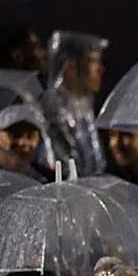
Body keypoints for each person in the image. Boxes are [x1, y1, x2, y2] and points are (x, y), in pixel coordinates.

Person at [40, 31, 108, 175]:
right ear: (70, 67)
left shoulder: (83, 109)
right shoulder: (52, 111)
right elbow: (67, 169)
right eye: (93, 62)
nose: (101, 70)